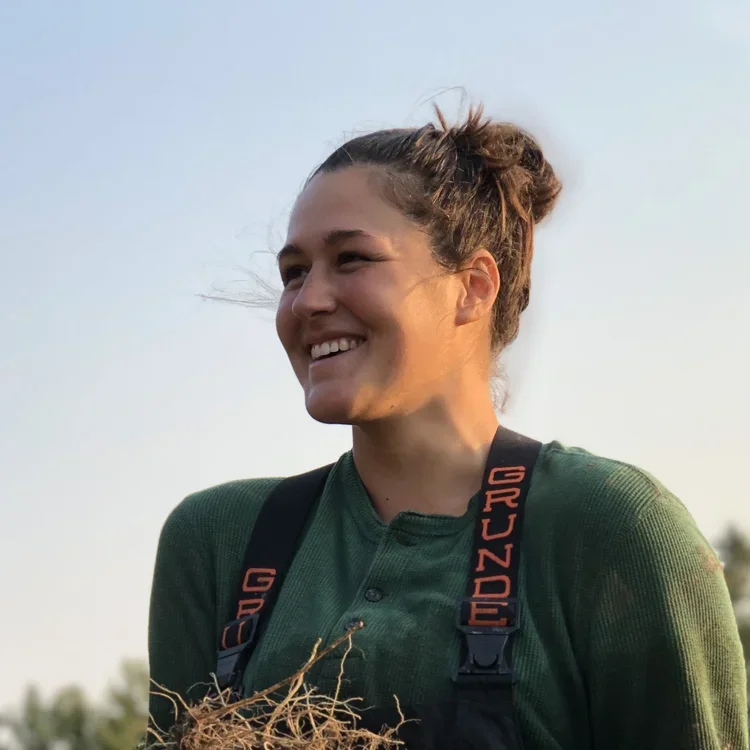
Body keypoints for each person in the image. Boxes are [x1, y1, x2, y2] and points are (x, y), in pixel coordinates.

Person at [147, 105, 748, 749]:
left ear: (473, 287)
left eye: (351, 258)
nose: (309, 300)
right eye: (295, 272)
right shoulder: (219, 541)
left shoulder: (615, 527)